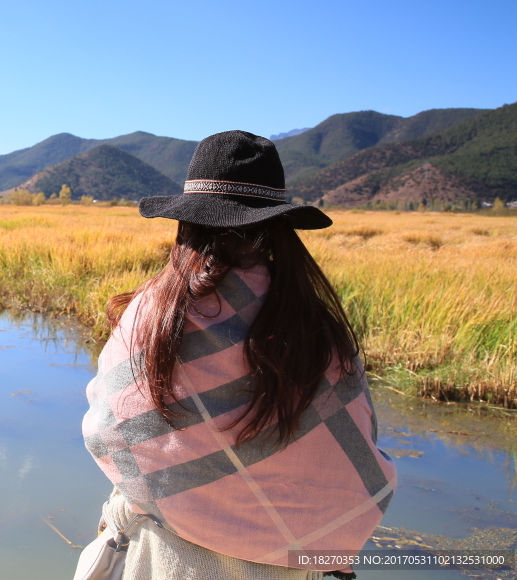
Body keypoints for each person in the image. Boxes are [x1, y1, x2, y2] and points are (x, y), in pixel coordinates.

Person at [82, 131, 396, 580]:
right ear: (279, 225)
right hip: (291, 565)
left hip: (170, 557)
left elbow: (108, 427)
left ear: (185, 223)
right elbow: (357, 441)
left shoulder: (155, 312)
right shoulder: (314, 324)